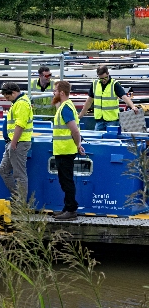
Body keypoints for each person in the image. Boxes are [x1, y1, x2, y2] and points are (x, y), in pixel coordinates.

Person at [52, 80, 85, 221]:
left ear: (62, 92)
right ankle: (67, 207)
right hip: (62, 150)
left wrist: (78, 145)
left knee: (67, 181)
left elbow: (74, 130)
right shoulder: (65, 106)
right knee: (64, 180)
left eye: (55, 91)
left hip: (66, 150)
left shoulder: (65, 108)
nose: (53, 93)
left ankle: (71, 210)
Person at [0, 82, 33, 202]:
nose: (7, 100)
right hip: (13, 142)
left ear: (13, 93)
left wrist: (13, 142)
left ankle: (21, 203)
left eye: (8, 97)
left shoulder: (22, 104)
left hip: (18, 143)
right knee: (3, 170)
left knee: (19, 174)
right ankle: (17, 197)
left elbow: (20, 125)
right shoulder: (17, 103)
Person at [78, 65, 139, 131]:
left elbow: (124, 97)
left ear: (108, 74)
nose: (103, 80)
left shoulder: (114, 84)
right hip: (99, 120)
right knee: (97, 140)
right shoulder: (95, 84)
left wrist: (133, 106)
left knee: (112, 139)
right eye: (101, 79)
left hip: (112, 120)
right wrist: (81, 115)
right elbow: (89, 101)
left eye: (105, 78)